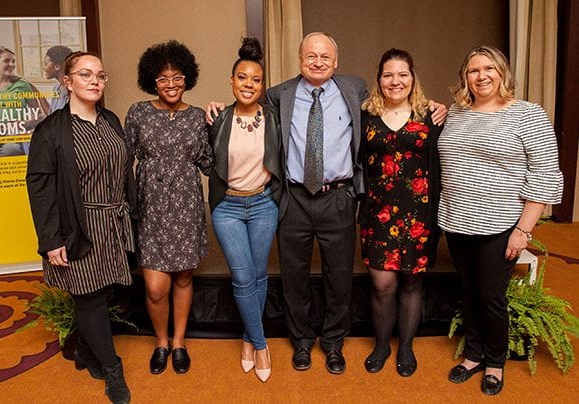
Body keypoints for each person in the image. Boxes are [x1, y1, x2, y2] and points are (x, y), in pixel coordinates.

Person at [208, 32, 446, 374]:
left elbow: (398, 103)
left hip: (338, 196)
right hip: (294, 197)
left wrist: (436, 106)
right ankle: (301, 341)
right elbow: (246, 106)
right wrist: (218, 107)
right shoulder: (279, 95)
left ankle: (334, 342)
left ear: (336, 62)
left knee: (339, 277)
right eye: (310, 56)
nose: (317, 62)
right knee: (294, 276)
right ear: (300, 59)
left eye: (325, 57)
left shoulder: (356, 91)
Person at [438, 45, 563, 395]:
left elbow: (546, 175)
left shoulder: (527, 114)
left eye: (489, 68)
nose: (482, 76)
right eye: (474, 70)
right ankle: (473, 355)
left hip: (500, 225)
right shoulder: (458, 112)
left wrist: (523, 230)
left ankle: (495, 362)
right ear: (466, 77)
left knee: (492, 296)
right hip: (457, 220)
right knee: (468, 291)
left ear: (502, 73)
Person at [26, 51, 134, 404]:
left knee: (106, 292)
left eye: (101, 76)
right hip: (78, 227)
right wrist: (51, 239)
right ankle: (113, 370)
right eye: (85, 75)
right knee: (88, 297)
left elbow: (123, 174)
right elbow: (40, 189)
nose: (94, 81)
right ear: (67, 81)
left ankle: (86, 352)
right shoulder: (51, 131)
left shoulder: (112, 120)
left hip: (114, 223)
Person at [124, 40, 213, 376]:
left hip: (187, 208)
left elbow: (209, 162)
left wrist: (220, 123)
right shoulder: (138, 112)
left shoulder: (196, 117)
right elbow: (123, 160)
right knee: (155, 288)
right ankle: (160, 340)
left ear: (187, 77)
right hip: (151, 209)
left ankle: (178, 342)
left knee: (184, 278)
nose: (171, 84)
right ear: (152, 81)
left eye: (177, 77)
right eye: (163, 78)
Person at [359, 48, 442, 377]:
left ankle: (405, 346)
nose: (396, 81)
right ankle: (382, 344)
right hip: (378, 214)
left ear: (412, 78)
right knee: (382, 285)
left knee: (411, 285)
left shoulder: (430, 116)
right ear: (379, 79)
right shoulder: (365, 116)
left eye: (402, 74)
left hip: (419, 215)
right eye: (388, 75)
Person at [207, 38, 282, 382]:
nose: (248, 84)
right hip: (229, 208)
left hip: (263, 203)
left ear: (262, 85)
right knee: (242, 275)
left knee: (259, 274)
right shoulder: (218, 118)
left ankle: (248, 339)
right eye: (242, 78)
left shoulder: (274, 119)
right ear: (231, 81)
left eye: (255, 79)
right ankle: (261, 342)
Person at [0, 46, 49, 156]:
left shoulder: (22, 84)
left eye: (13, 61)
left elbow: (40, 116)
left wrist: (22, 124)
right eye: (7, 61)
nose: (12, 65)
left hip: (13, 134)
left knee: (12, 150)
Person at [43, 45, 73, 112]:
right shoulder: (56, 88)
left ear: (57, 67)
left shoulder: (73, 91)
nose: (43, 68)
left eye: (46, 64)